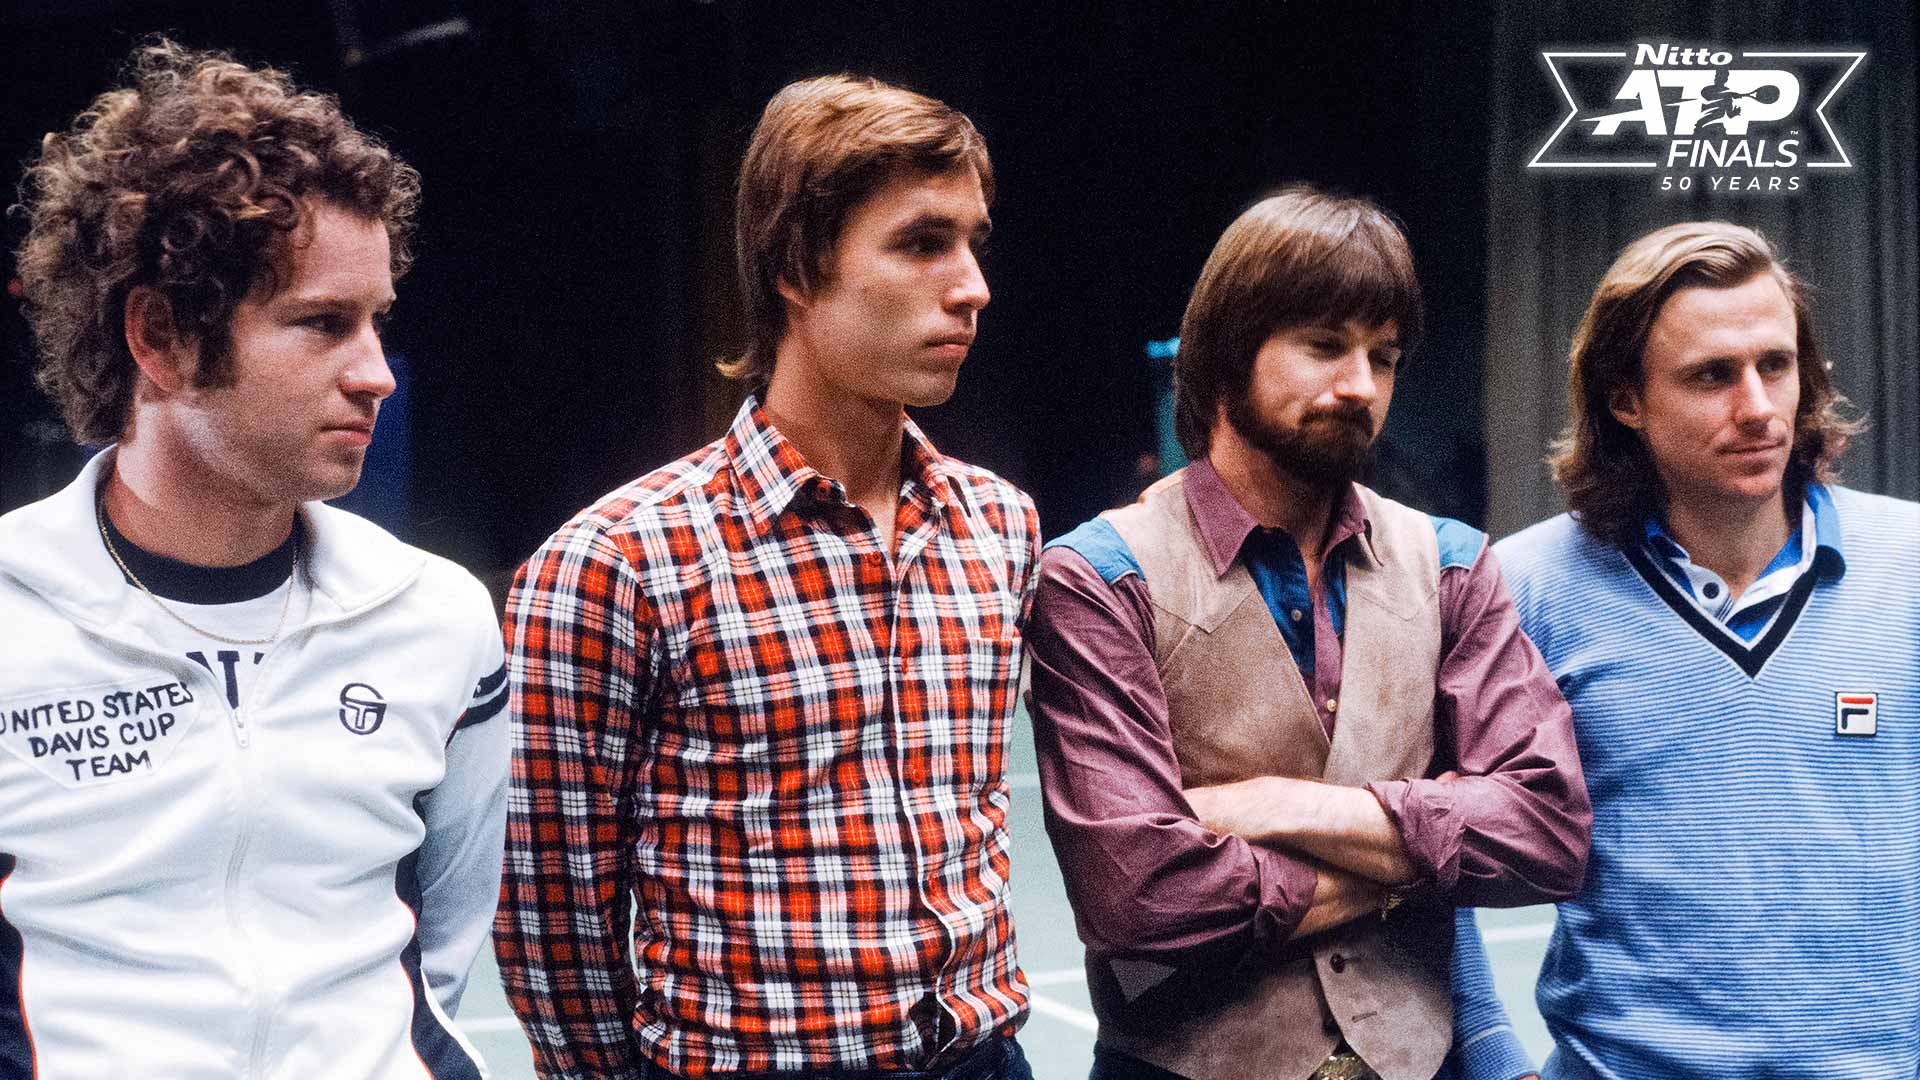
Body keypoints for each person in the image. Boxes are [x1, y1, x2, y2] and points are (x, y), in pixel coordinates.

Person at [496, 75, 1038, 1080]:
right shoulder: (618, 562)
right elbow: (552, 921)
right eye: (922, 243)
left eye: (973, 243)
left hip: (983, 1058)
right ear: (797, 265)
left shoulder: (1000, 526)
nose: (971, 286)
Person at [0, 39, 506, 1078]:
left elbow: (442, 970)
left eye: (377, 323)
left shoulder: (438, 621)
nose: (377, 375)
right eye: (323, 324)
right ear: (161, 338)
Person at [1026, 186, 1590, 1080]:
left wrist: (1274, 807)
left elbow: (1546, 831)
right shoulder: (1097, 577)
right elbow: (1140, 898)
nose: (1360, 385)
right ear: (1222, 362)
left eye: (1384, 355)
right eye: (1324, 346)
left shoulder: (1449, 563)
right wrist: (1414, 870)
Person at [1451, 221, 1919, 1079]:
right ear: (1624, 398)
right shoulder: (1523, 590)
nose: (1758, 407)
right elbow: (1426, 869)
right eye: (1712, 375)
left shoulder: (1913, 568)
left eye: (1775, 365)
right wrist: (1491, 1058)